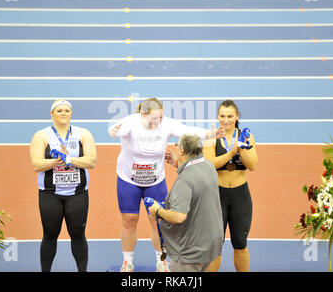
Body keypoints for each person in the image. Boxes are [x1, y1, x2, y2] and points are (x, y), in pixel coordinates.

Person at [108, 97, 225, 272]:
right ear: (143, 115)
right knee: (129, 220)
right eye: (155, 117)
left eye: (161, 117)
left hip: (155, 180)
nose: (159, 121)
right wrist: (114, 131)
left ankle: (161, 260)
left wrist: (209, 134)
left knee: (158, 221)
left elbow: (186, 130)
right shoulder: (131, 122)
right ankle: (127, 261)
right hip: (128, 180)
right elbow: (116, 130)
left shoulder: (166, 124)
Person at [29, 99, 97, 272]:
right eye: (59, 110)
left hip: (77, 194)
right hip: (50, 195)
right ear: (52, 114)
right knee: (50, 235)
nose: (63, 113)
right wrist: (56, 161)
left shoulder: (83, 134)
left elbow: (91, 161)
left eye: (67, 110)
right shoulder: (41, 135)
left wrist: (69, 159)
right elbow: (36, 164)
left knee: (78, 235)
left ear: (71, 113)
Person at [148, 134, 224, 272]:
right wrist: (179, 163)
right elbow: (195, 181)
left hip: (190, 252)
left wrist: (157, 211)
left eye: (177, 145)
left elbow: (178, 216)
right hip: (210, 246)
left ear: (181, 151)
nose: (175, 147)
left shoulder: (185, 180)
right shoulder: (209, 167)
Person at [204, 100, 258, 272]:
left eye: (229, 116)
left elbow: (253, 165)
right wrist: (232, 152)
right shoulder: (212, 137)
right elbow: (209, 164)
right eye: (222, 116)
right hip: (217, 196)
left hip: (240, 197)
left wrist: (243, 147)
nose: (225, 120)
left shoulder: (246, 136)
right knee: (215, 246)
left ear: (237, 117)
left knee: (240, 244)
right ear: (218, 117)